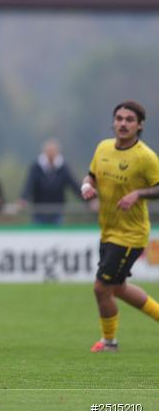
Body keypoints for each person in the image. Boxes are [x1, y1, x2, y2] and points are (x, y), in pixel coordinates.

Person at [81, 101, 159, 353]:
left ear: (139, 126)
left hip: (130, 235)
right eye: (119, 118)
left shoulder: (145, 157)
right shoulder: (103, 147)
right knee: (119, 288)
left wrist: (138, 194)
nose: (123, 123)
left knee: (101, 287)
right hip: (107, 230)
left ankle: (110, 342)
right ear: (113, 121)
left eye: (129, 120)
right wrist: (86, 186)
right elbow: (91, 175)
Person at [18, 139, 80, 224]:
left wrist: (89, 200)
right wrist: (24, 198)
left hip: (57, 212)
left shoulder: (63, 168)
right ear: (44, 152)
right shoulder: (36, 167)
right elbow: (29, 184)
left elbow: (75, 185)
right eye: (49, 151)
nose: (51, 153)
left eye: (53, 150)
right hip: (39, 211)